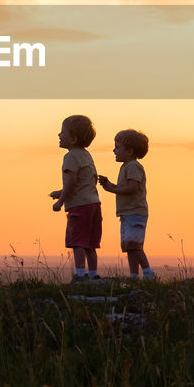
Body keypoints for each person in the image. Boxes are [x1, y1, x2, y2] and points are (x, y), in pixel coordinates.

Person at [49, 114, 103, 282]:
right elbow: (84, 181)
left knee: (78, 242)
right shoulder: (86, 155)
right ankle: (93, 275)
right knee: (91, 244)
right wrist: (61, 191)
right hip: (94, 204)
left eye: (62, 132)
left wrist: (60, 201)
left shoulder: (70, 157)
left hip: (79, 206)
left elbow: (72, 181)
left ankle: (80, 275)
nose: (59, 135)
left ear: (73, 138)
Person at [98, 129, 154, 280]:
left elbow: (132, 188)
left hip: (135, 212)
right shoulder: (126, 167)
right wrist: (110, 185)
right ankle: (134, 276)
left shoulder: (133, 166)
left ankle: (148, 273)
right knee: (130, 247)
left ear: (129, 151)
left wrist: (112, 189)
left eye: (117, 147)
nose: (114, 150)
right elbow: (126, 187)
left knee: (134, 245)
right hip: (128, 213)